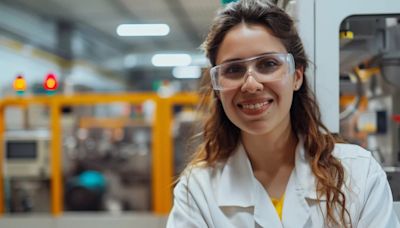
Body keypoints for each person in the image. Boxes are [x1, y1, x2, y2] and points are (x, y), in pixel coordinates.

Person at [167, 0, 400, 227]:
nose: (251, 84)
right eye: (234, 69)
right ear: (217, 88)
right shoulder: (197, 190)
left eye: (268, 64)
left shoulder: (358, 174)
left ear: (297, 76)